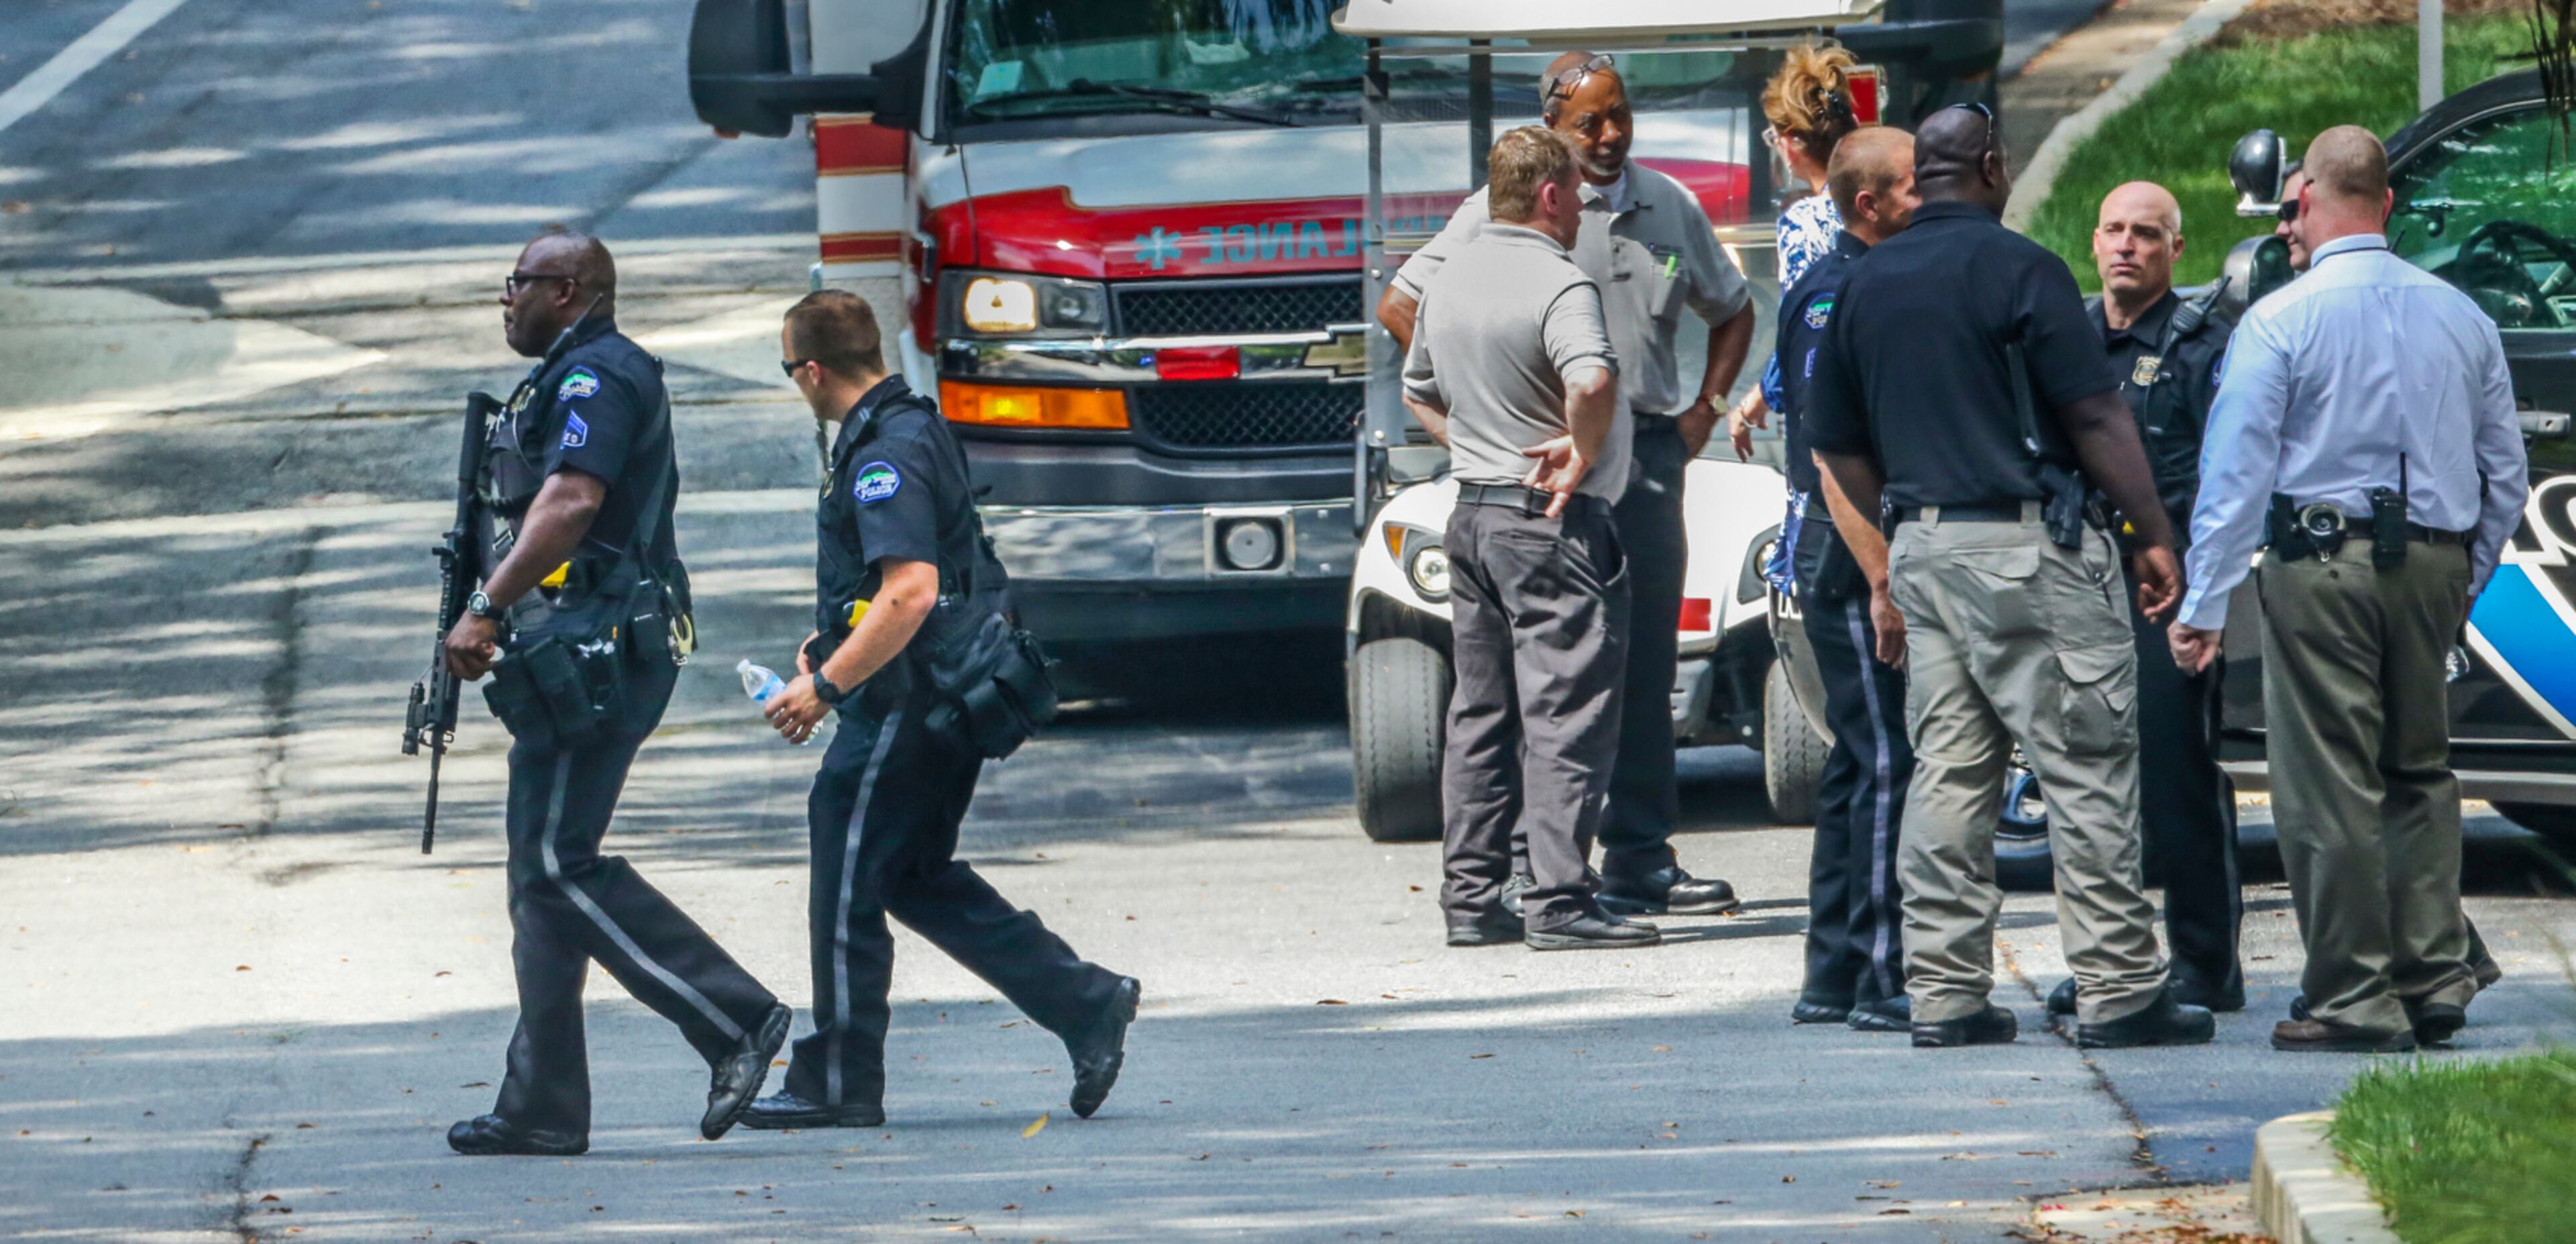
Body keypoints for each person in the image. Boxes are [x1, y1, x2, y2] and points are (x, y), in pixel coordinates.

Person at [1807, 106, 2216, 1050]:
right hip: (2031, 547)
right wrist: (2152, 533)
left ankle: (1946, 992)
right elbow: (2098, 417)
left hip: (1925, 551)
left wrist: (1904, 508)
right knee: (2085, 764)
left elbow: (1832, 439)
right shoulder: (2022, 268)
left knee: (1950, 772)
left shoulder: (1865, 285)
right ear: (1990, 168)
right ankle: (2119, 987)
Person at [742, 290, 1140, 1126]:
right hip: (933, 698)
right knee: (911, 877)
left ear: (811, 371)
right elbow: (913, 583)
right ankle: (1085, 1002)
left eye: (791, 372)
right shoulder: (913, 426)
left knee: (848, 879)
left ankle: (839, 1081)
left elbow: (914, 590)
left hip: (905, 707)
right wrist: (833, 647)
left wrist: (826, 687)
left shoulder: (883, 451)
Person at [2169, 127, 2527, 1053]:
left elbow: (2236, 473)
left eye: (2291, 208)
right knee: (2421, 772)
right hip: (2436, 563)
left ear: (2317, 198)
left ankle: (2353, 994)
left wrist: (2204, 604)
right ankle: (2434, 973)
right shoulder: (2463, 316)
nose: (2287, 228)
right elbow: (2506, 472)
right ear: (2390, 204)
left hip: (2320, 564)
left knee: (2328, 781)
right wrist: (2469, 573)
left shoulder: (2282, 320)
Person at [1378, 52, 1755, 921]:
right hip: (1545, 474)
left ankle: (1639, 857)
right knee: (1536, 679)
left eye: (1620, 114)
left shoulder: (1667, 204)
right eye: (1591, 122)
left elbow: (1731, 308)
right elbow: (1404, 307)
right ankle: (1533, 871)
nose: (1612, 134)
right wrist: (1483, 422)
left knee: (1645, 662)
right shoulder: (1506, 211)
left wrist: (1706, 407)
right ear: (1552, 127)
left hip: (1650, 457)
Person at [440, 231, 788, 1155]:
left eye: (515, 283)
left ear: (564, 288)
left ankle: (734, 1018)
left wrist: (485, 603)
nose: (503, 298)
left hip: (600, 647)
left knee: (558, 862)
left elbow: (571, 503)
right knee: (539, 870)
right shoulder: (565, 371)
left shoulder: (600, 376)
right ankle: (543, 1104)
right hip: (569, 646)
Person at [1403, 126, 1646, 950]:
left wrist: (1474, 444)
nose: (1582, 207)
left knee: (1479, 713)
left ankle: (1472, 900)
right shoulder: (1560, 282)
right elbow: (1594, 378)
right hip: (1546, 522)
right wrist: (1578, 449)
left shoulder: (1451, 278)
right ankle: (1560, 901)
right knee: (1564, 712)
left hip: (1469, 515)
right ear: (1549, 195)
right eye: (1576, 193)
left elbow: (1418, 392)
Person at [2035, 182, 2246, 1019]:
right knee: (2089, 780)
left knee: (2175, 775)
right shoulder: (2066, 339)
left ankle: (2204, 962)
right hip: (2077, 576)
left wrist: (2209, 592)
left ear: (2175, 251)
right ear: (2094, 241)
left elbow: (2228, 476)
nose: (2128, 246)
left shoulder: (2205, 346)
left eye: (2147, 235)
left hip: (2170, 584)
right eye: (2115, 230)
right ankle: (2113, 961)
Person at [1774, 127, 1921, 1033]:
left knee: (1853, 764)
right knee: (1886, 761)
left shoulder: (1855, 282)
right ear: (1868, 205)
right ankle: (1877, 972)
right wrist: (1882, 578)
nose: (1930, 195)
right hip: (1848, 554)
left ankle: (1829, 971)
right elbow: (1833, 454)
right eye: (1915, 186)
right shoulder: (1835, 294)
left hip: (1850, 553)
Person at [1726, 42, 1865, 463]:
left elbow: (1803, 331)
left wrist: (1761, 396)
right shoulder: (1877, 202)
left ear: (1792, 143)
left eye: (1774, 136)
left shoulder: (1803, 221)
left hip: (1830, 417)